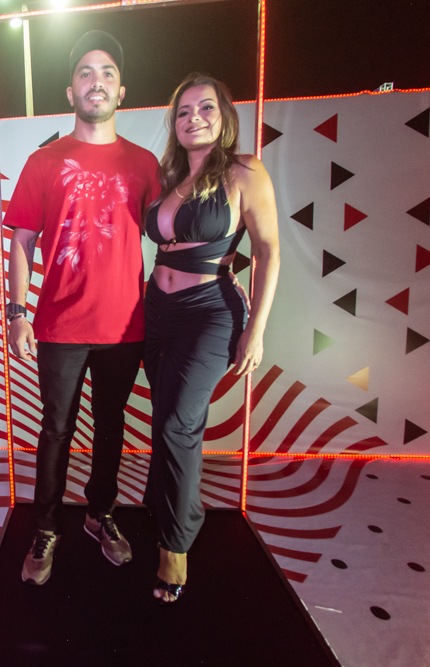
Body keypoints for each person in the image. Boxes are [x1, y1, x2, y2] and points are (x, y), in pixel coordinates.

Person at [4, 31, 161, 586]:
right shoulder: (43, 161)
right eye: (86, 73)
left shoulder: (145, 164)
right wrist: (16, 313)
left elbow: (172, 235)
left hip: (126, 326)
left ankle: (100, 513)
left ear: (123, 91)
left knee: (111, 425)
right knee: (56, 428)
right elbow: (21, 241)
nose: (98, 81)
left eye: (108, 72)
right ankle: (46, 527)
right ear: (71, 92)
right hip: (60, 325)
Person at [143, 74, 280, 603]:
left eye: (205, 108)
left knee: (177, 422)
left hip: (209, 312)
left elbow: (267, 251)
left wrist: (256, 330)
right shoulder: (167, 177)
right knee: (167, 416)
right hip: (157, 310)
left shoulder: (245, 171)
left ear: (224, 117)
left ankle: (175, 546)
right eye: (183, 111)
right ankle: (169, 506)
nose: (193, 117)